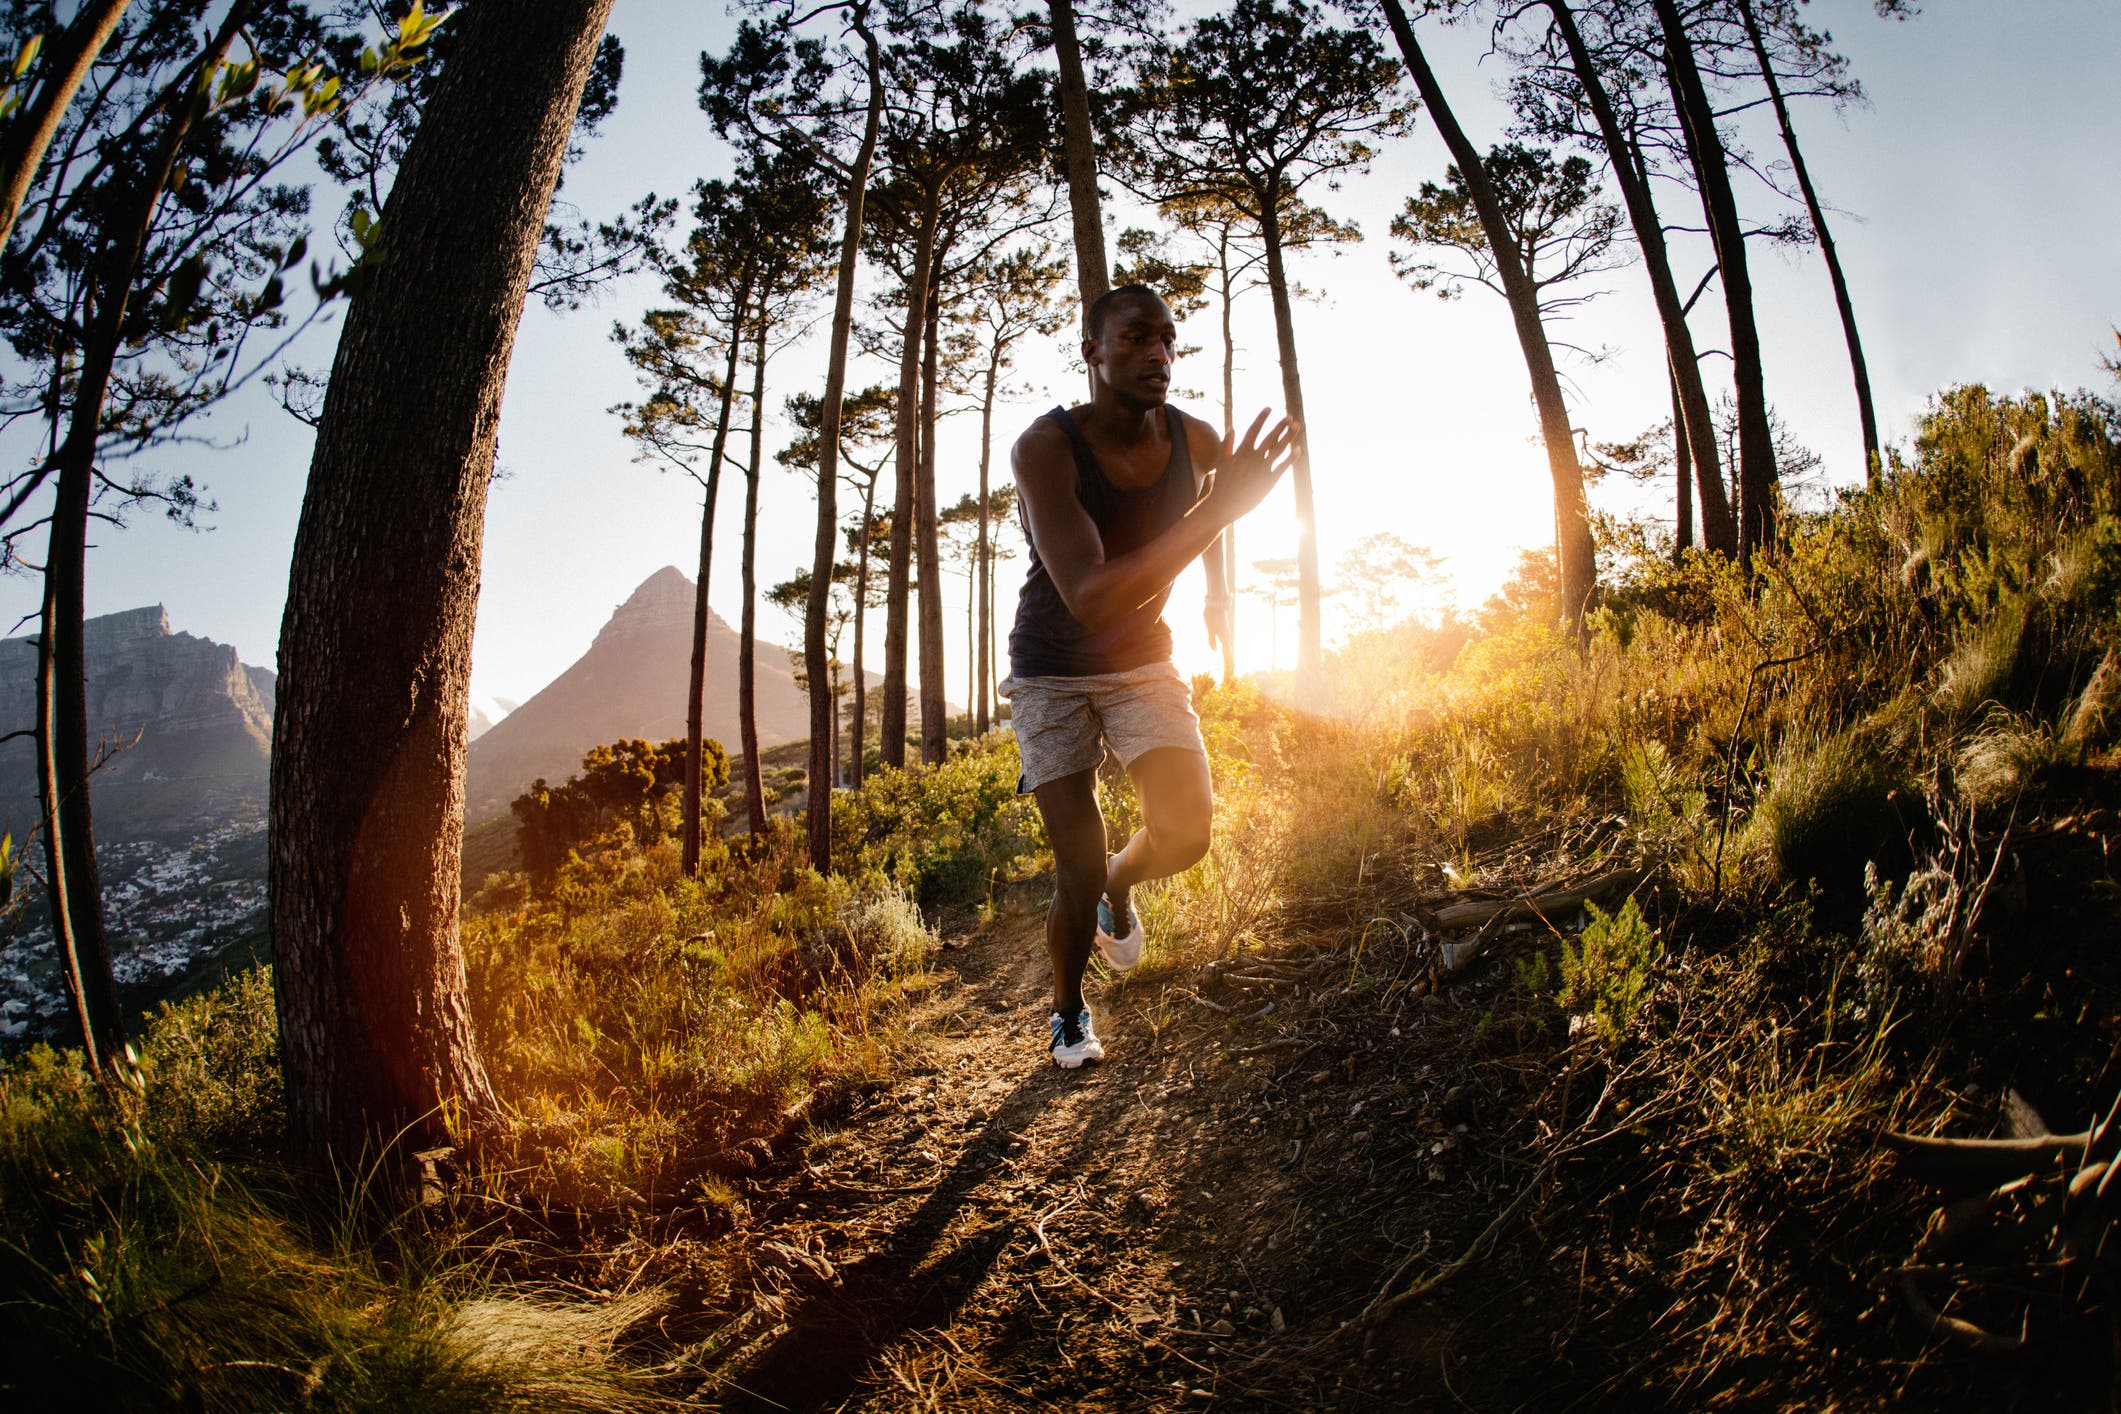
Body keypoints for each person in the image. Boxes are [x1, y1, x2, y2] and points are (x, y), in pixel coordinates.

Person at [1002, 282, 1296, 1068]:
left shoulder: (1191, 438)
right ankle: (1067, 1012)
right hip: (1051, 671)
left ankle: (1118, 891)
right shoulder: (1044, 447)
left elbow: (1227, 502)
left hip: (1143, 661)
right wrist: (1217, 513)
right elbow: (1091, 598)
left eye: (1166, 339)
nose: (1156, 354)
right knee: (1076, 857)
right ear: (1090, 351)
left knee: (1187, 833)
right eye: (1133, 339)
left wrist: (1219, 591)